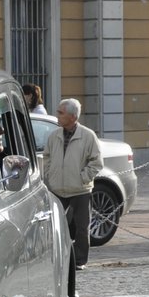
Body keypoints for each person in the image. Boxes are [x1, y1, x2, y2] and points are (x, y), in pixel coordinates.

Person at [41, 98, 105, 268]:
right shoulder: (54, 135)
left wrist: (83, 177)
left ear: (72, 116)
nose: (57, 115)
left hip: (80, 190)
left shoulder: (88, 136)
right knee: (56, 226)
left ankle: (79, 260)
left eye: (61, 112)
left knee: (82, 228)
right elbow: (46, 157)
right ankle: (58, 258)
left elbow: (97, 162)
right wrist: (49, 175)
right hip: (57, 189)